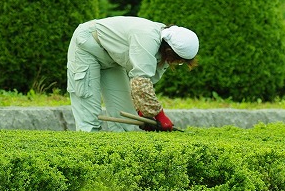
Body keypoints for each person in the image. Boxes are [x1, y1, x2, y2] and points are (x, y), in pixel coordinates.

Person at [66, 16, 198, 132]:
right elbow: (140, 81)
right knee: (89, 119)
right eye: (178, 60)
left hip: (112, 58)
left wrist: (144, 113)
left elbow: (144, 84)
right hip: (87, 46)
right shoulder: (147, 38)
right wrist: (159, 115)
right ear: (170, 51)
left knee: (123, 119)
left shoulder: (164, 45)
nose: (175, 63)